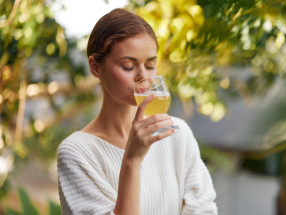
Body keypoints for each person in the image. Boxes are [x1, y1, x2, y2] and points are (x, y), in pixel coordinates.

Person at [57, 8, 218, 215]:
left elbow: (204, 210)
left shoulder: (177, 134)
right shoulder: (77, 152)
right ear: (96, 68)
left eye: (150, 65)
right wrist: (131, 161)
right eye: (128, 66)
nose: (143, 77)